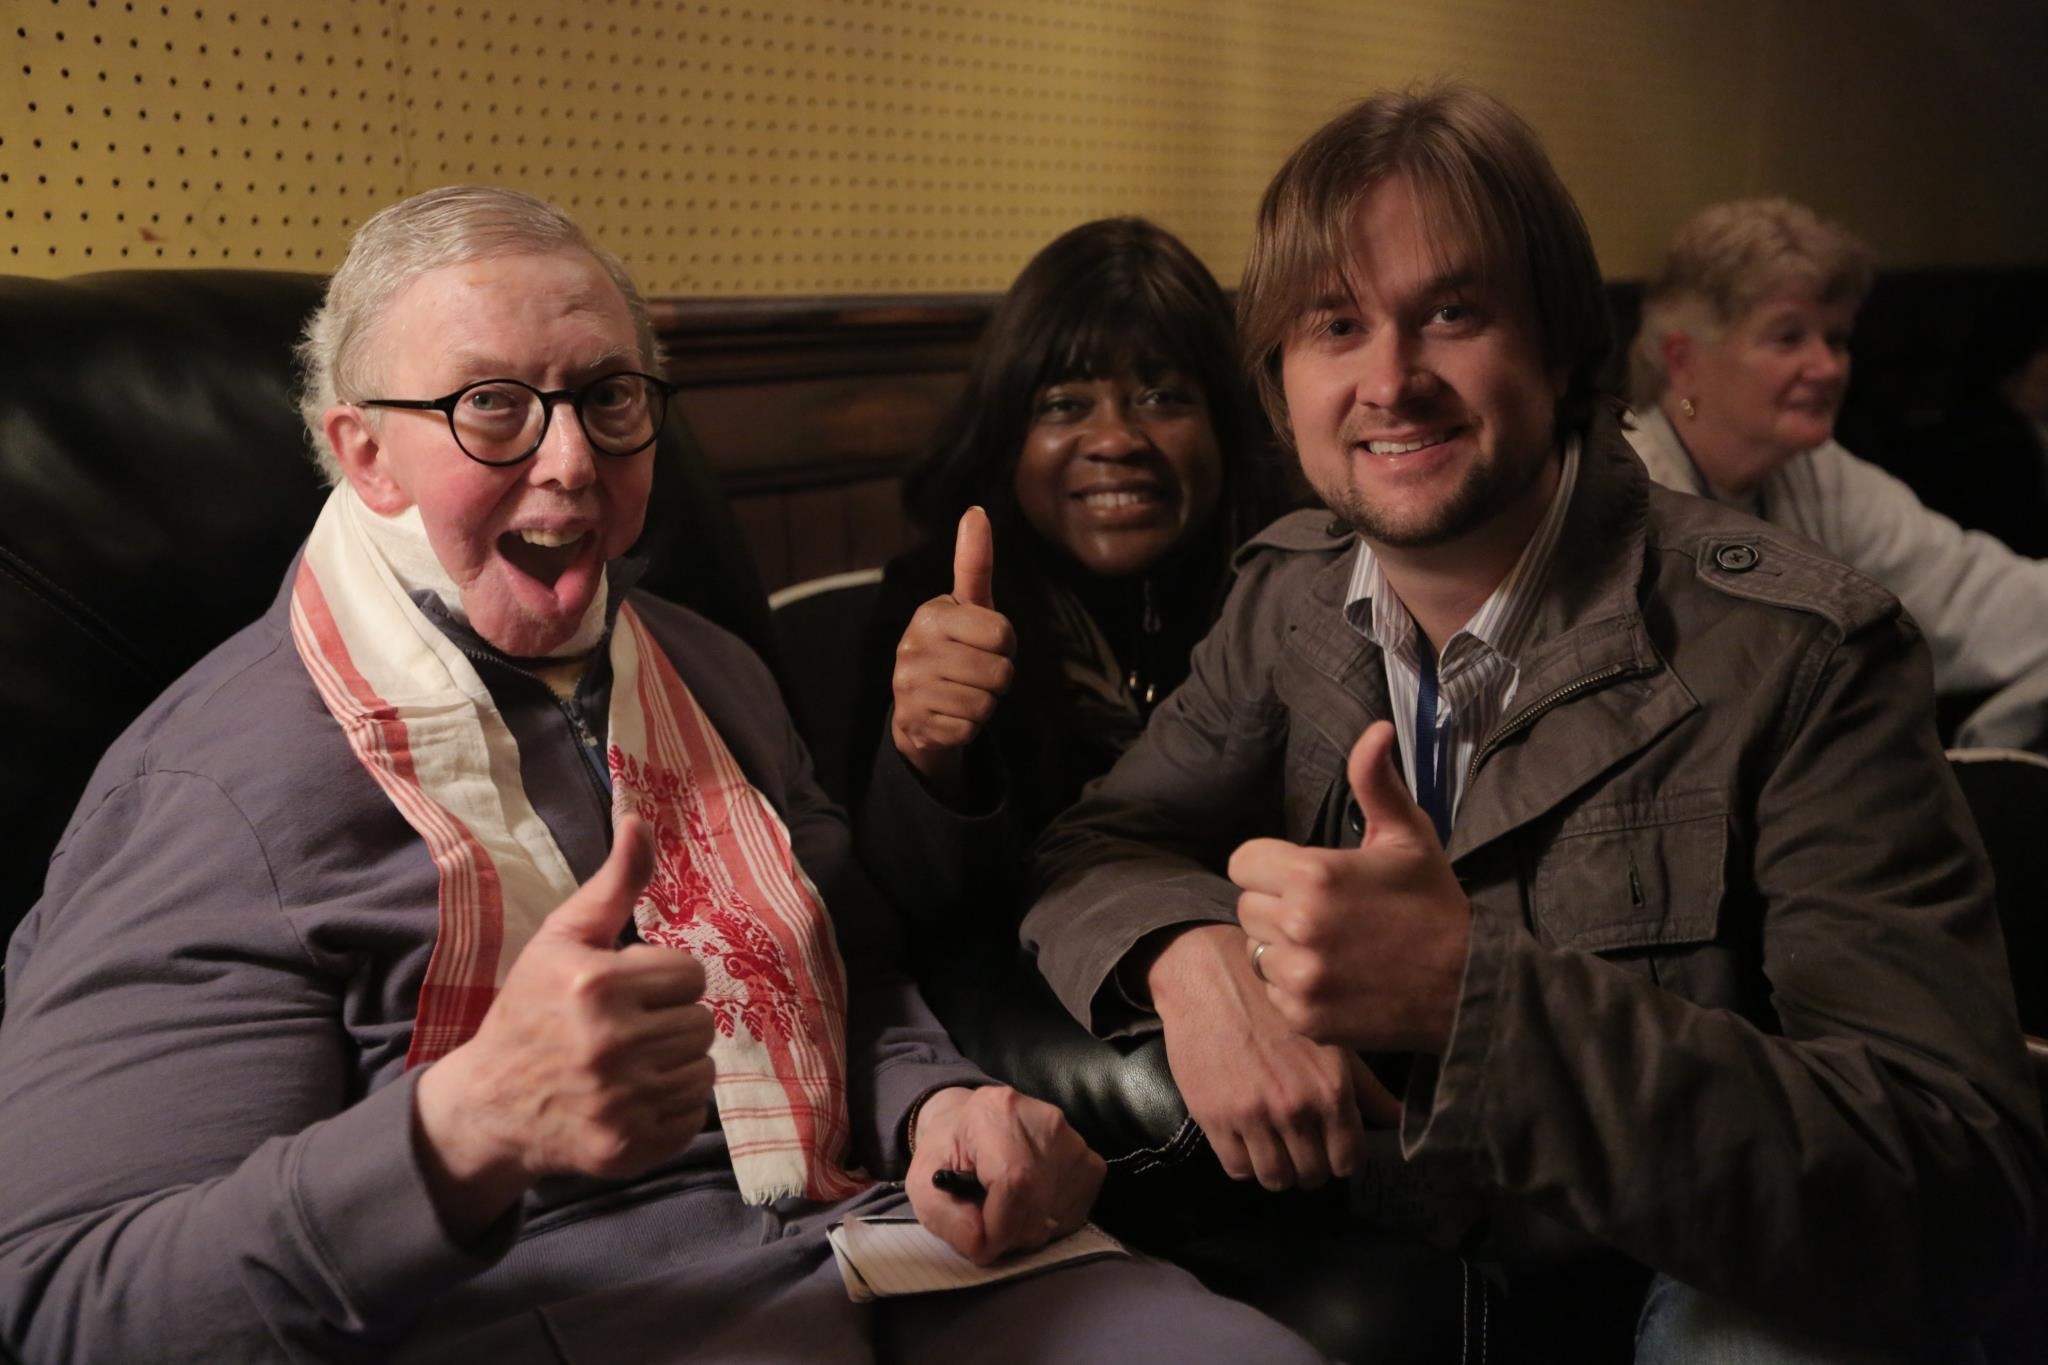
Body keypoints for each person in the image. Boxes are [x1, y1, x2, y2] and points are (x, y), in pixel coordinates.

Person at [0, 187, 1326, 1365]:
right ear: (364, 452)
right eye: (493, 409)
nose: (570, 461)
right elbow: (66, 1302)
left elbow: (853, 972)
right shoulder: (208, 791)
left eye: (607, 399)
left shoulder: (711, 670)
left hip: (878, 1248)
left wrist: (942, 1103)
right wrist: (457, 1132)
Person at [1022, 86, 2045, 1360]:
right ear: (1279, 381)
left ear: (1560, 348)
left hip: (1666, 1279)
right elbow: (1096, 843)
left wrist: (1472, 1000)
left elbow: (1952, 1183)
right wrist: (1190, 960)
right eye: (1334, 325)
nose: (1389, 380)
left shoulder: (1803, 653)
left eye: (1450, 312)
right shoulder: (1285, 597)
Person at [850, 217, 1281, 934]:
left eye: (1162, 396)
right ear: (1006, 437)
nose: (1116, 439)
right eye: (1063, 405)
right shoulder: (935, 603)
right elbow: (907, 911)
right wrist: (926, 757)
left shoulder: (1288, 588)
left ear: (1225, 427)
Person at [1626, 197, 2048, 750]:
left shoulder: (1815, 473)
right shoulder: (1627, 489)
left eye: (1837, 339)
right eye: (1788, 337)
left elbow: (1968, 593)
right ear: (1683, 360)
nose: (1827, 368)